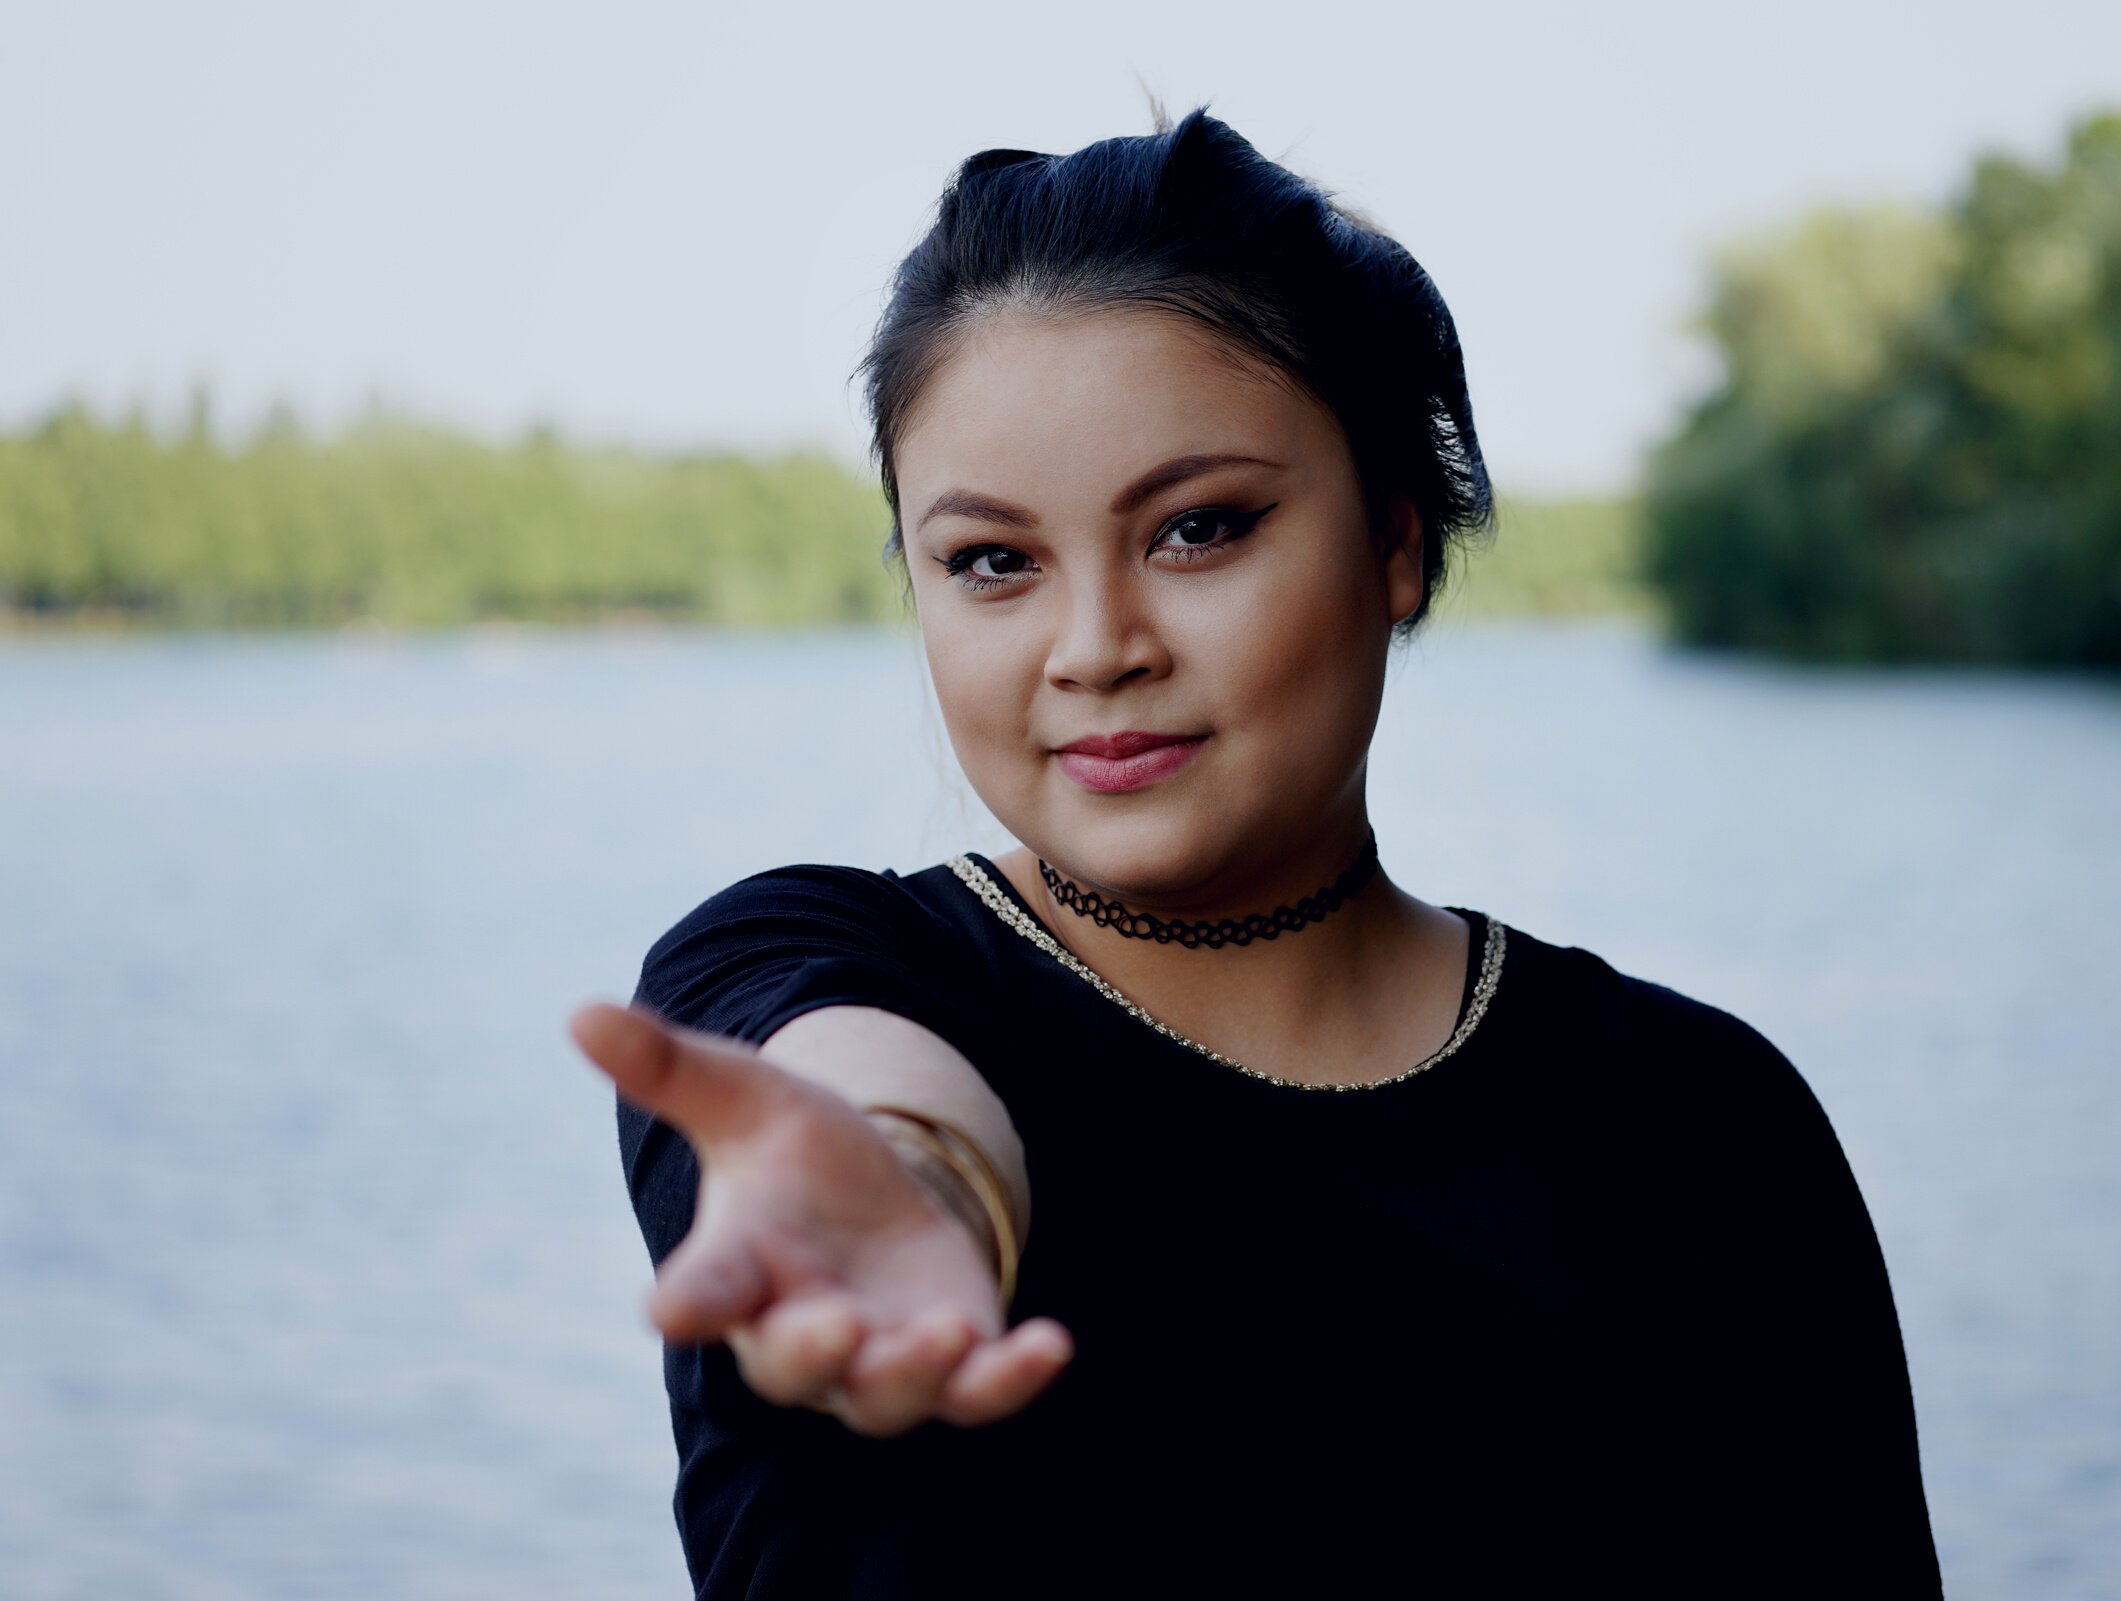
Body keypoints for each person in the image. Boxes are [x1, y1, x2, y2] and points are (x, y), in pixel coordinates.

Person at [573, 112, 1944, 1598]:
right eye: (991, 562)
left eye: (1198, 530)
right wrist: (920, 1186)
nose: (1095, 648)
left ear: (1395, 544)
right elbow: (874, 1093)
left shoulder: (1699, 1124)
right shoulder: (809, 974)